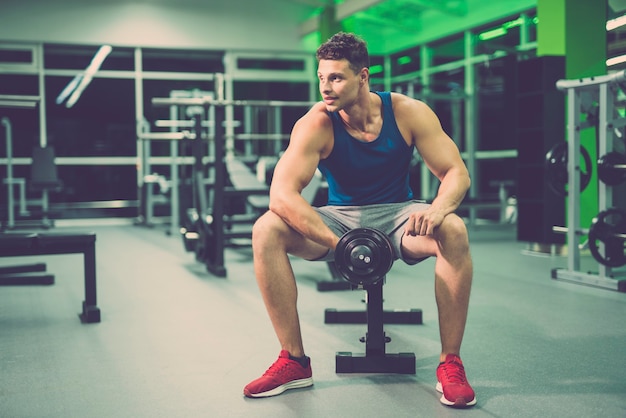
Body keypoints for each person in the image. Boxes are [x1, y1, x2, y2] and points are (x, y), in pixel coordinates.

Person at [243, 32, 476, 408]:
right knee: (266, 228)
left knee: (453, 229)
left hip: (400, 214)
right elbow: (281, 195)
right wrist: (342, 247)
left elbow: (456, 173)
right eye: (321, 78)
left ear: (363, 77)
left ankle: (451, 363)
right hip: (340, 220)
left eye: (336, 78)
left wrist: (436, 208)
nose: (326, 88)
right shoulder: (316, 123)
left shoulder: (407, 112)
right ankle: (294, 361)